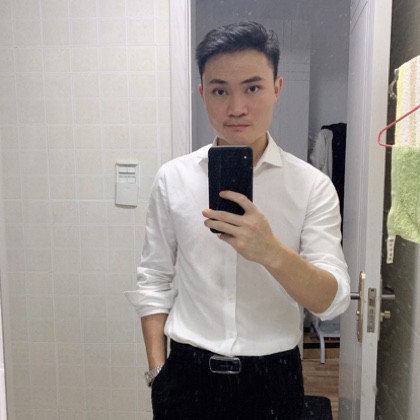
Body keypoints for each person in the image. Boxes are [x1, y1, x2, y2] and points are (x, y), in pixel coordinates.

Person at [125, 21, 350, 419]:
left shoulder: (311, 186)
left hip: (273, 379)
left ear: (277, 88)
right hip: (187, 377)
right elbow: (153, 279)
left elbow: (330, 303)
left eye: (252, 88)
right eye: (220, 91)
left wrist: (271, 252)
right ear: (202, 94)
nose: (236, 108)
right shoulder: (173, 179)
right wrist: (158, 372)